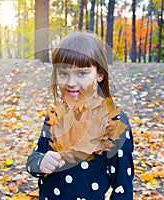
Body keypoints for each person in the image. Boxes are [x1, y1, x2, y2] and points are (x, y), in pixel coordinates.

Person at [26, 31, 134, 200]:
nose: (70, 82)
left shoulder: (115, 122)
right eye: (63, 73)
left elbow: (123, 188)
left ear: (100, 74)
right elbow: (34, 159)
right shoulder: (55, 117)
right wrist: (41, 163)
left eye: (82, 73)